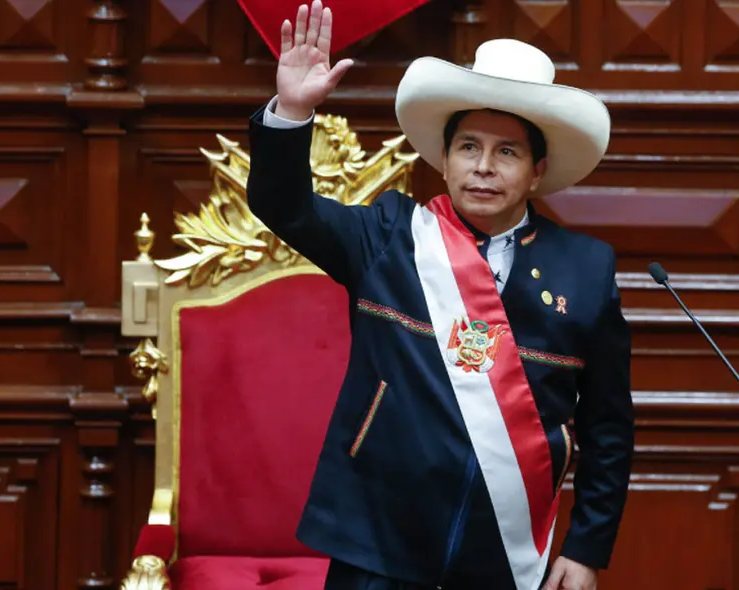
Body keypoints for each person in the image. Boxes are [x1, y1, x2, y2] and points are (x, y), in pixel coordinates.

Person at [246, 2, 634, 589]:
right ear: (445, 161)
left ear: (537, 171)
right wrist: (294, 110)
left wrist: (585, 549)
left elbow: (607, 427)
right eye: (468, 147)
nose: (484, 167)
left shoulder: (585, 269)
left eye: (507, 152)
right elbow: (285, 207)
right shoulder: (388, 236)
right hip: (375, 542)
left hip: (502, 554)